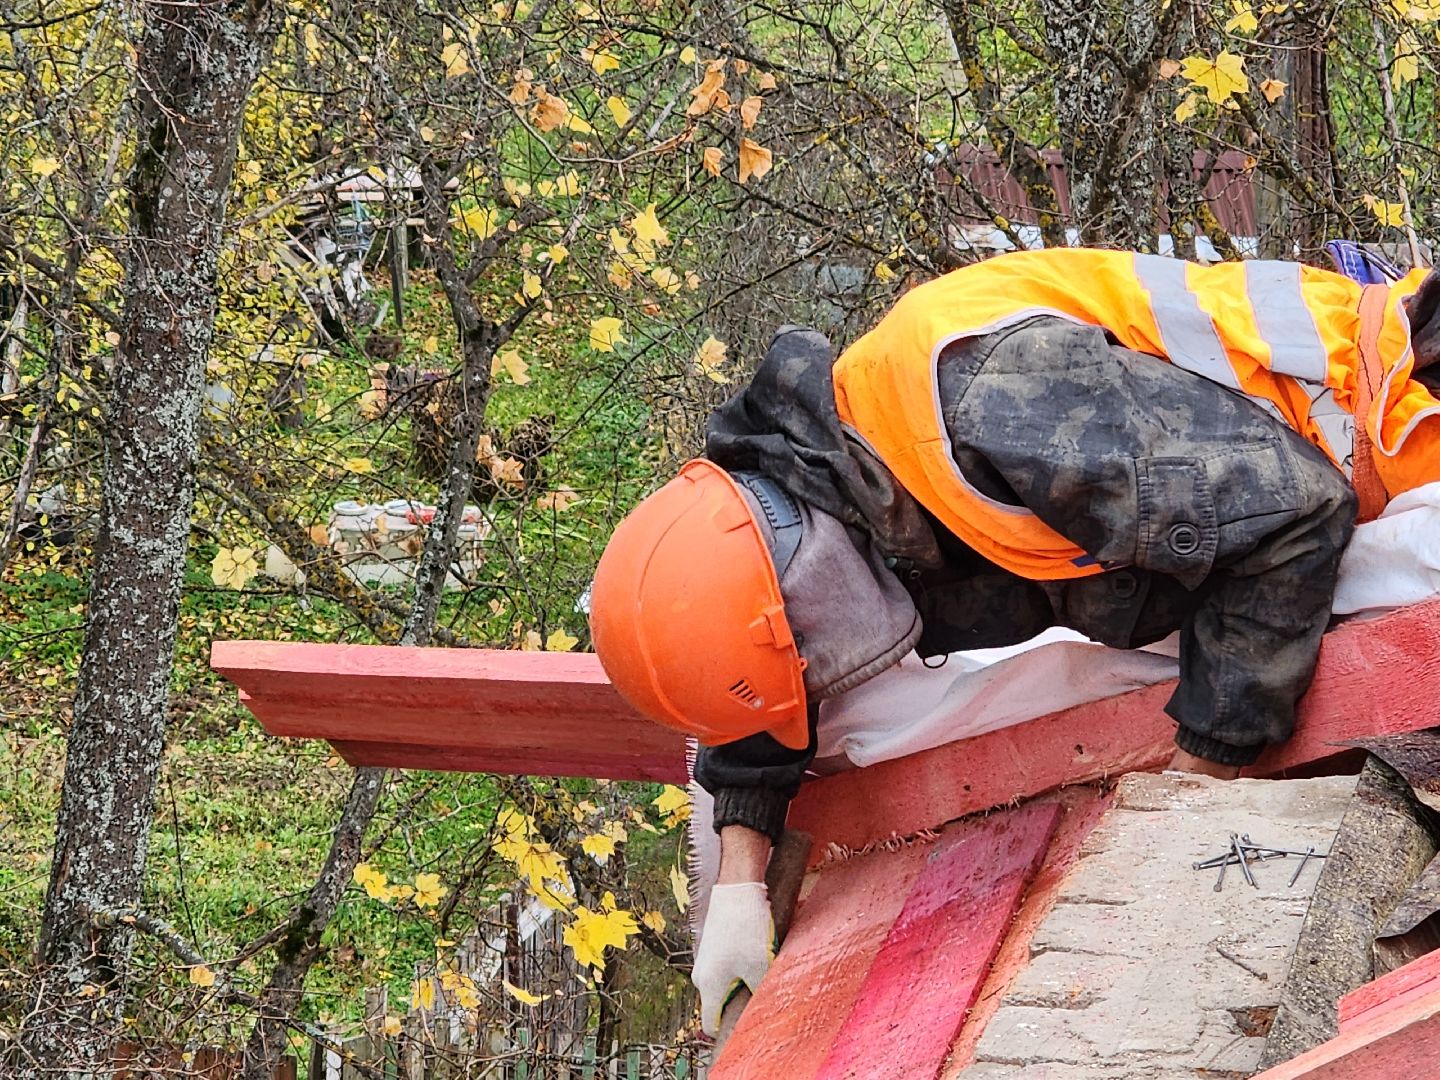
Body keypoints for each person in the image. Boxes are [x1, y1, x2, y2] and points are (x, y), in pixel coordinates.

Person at [587, 247, 1440, 1034]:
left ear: (809, 588)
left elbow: (1298, 514)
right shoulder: (809, 489)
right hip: (1244, 515)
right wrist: (740, 869)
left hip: (1385, 439)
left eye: (807, 669)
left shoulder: (1006, 409)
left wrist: (1200, 777)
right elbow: (764, 683)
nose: (815, 691)